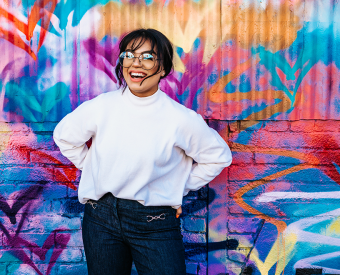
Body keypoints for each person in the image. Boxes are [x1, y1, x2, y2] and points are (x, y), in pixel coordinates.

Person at [53, 28, 232, 275]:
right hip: (100, 218)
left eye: (148, 57)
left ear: (163, 69)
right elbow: (65, 137)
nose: (136, 63)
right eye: (129, 55)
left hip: (154, 223)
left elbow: (217, 157)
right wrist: (94, 170)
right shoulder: (102, 106)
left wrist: (179, 187)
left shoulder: (179, 119)